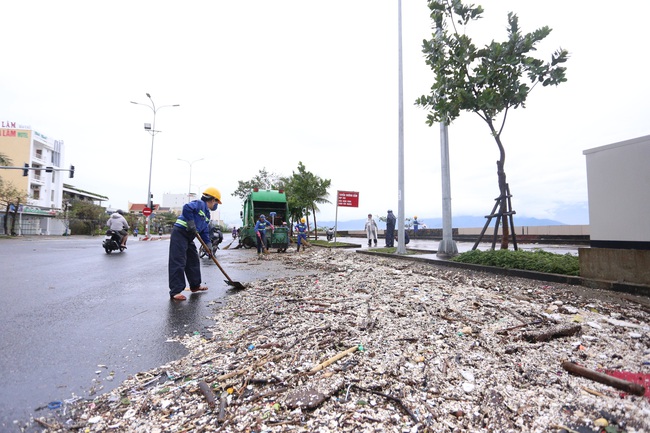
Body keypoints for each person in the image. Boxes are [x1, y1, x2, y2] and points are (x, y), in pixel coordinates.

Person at [168, 187, 222, 301]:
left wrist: (208, 245)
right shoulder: (199, 203)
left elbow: (204, 231)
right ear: (212, 200)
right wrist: (191, 223)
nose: (216, 205)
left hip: (189, 237)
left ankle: (195, 285)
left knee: (193, 260)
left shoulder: (207, 215)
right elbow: (187, 208)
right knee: (178, 261)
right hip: (180, 233)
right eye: (217, 202)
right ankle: (175, 291)